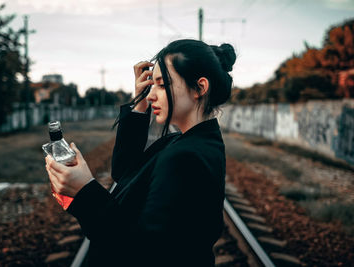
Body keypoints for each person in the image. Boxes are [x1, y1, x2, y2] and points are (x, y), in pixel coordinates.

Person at [45, 39, 236, 267]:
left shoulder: (185, 157)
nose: (151, 95)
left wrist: (84, 191)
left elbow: (140, 252)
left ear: (200, 88)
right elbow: (125, 171)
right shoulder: (188, 141)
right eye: (151, 85)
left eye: (162, 85)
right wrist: (139, 103)